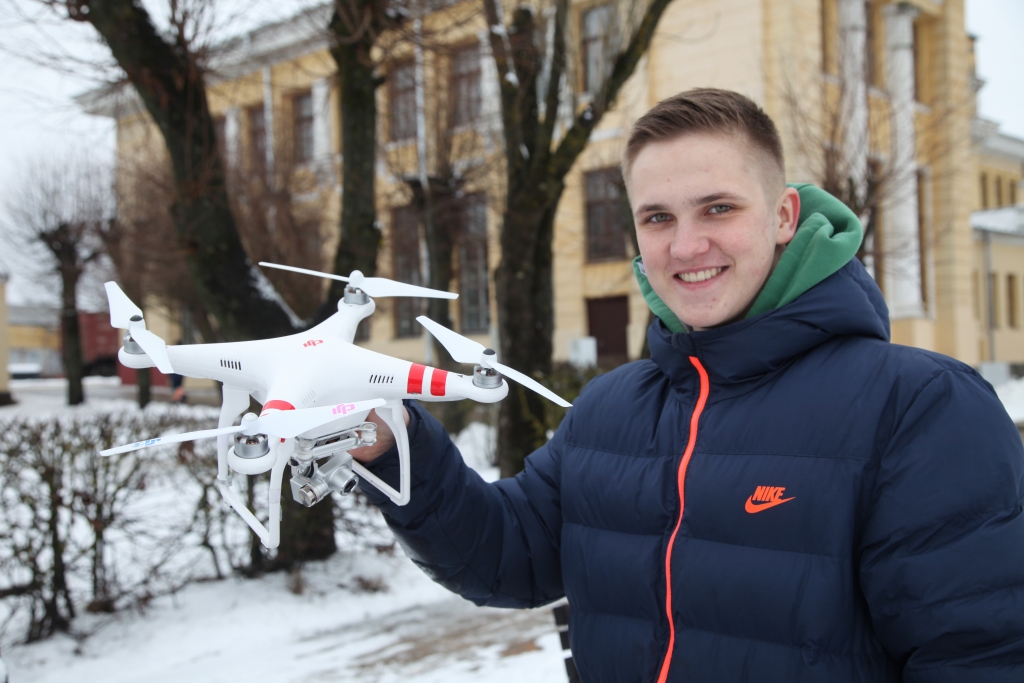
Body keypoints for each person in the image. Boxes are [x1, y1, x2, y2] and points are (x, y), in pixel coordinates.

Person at [350, 89, 1024, 681]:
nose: (686, 245)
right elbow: (505, 555)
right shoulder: (609, 409)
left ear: (785, 215)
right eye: (658, 217)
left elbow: (983, 655)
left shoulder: (918, 407)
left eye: (718, 208)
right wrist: (393, 441)